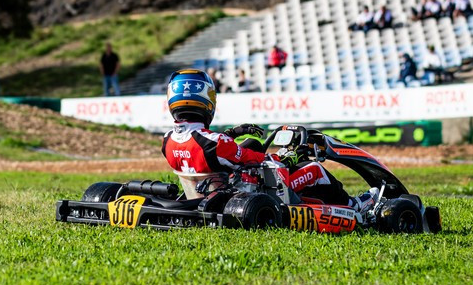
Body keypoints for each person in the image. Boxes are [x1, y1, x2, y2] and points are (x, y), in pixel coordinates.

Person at [161, 68, 376, 209]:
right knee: (315, 169)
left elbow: (205, 147)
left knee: (253, 143)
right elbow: (262, 161)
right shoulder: (216, 143)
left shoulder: (167, 141)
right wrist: (291, 157)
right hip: (239, 194)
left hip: (202, 194)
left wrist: (234, 133)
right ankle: (354, 205)